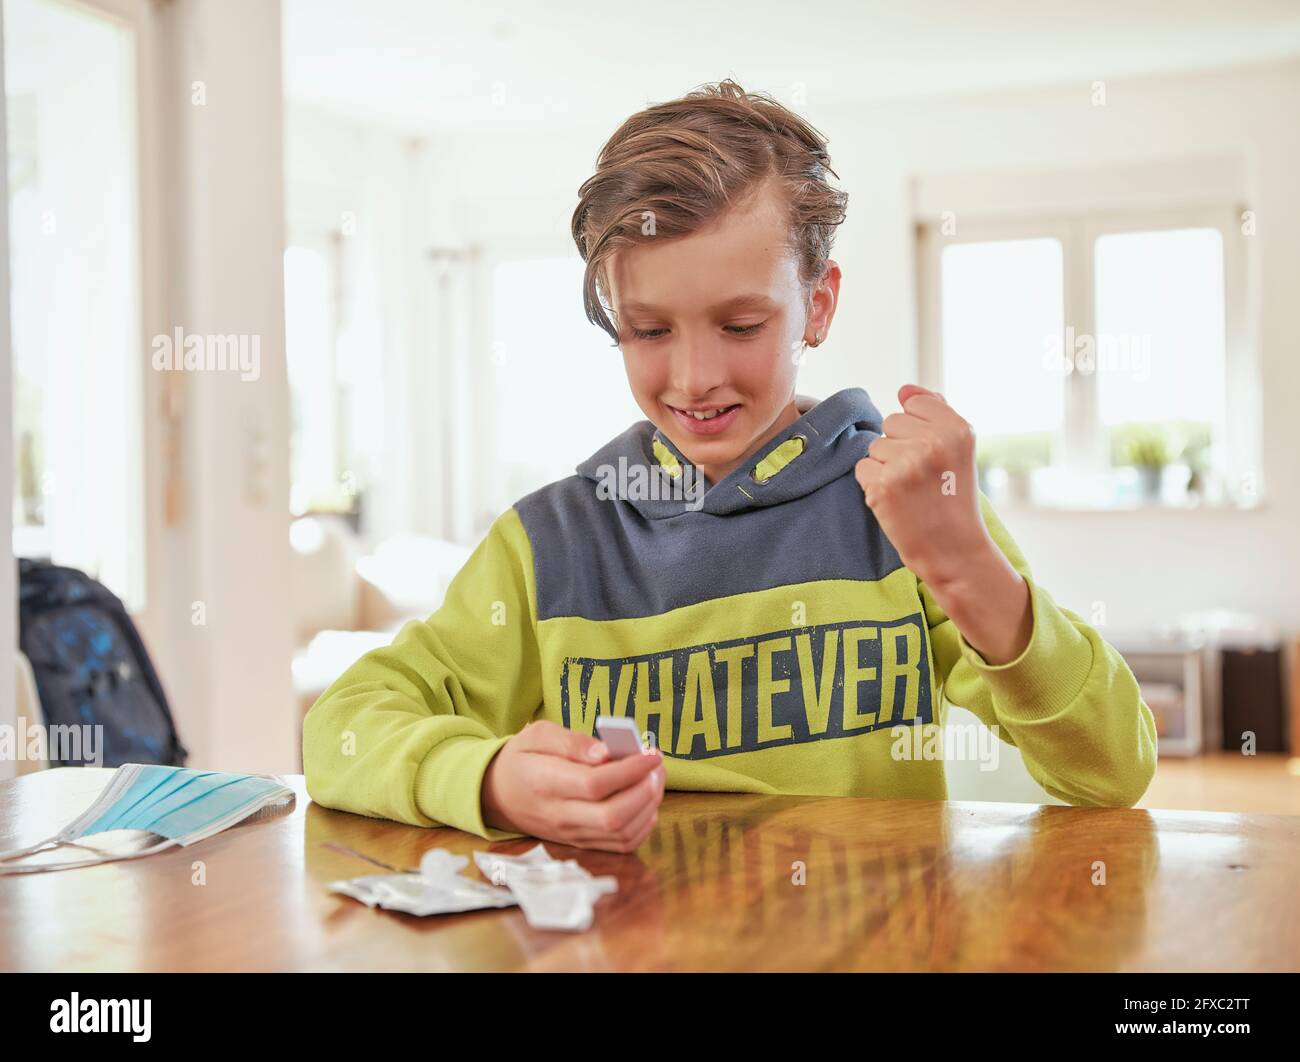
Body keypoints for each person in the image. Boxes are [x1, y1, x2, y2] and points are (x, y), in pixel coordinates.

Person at [303, 80, 1157, 852]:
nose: (693, 377)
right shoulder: (551, 543)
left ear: (815, 305)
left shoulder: (900, 516)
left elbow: (1111, 771)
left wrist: (970, 565)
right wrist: (486, 777)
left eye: (740, 326)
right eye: (648, 330)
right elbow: (341, 729)